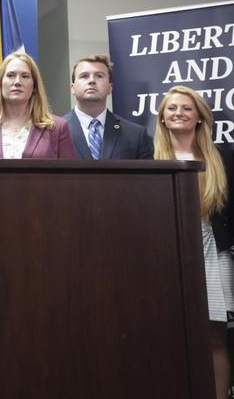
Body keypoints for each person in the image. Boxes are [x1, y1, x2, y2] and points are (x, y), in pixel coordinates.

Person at [153, 85, 234, 399]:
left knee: (216, 336)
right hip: (167, 253)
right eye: (172, 108)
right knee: (169, 333)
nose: (178, 114)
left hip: (214, 250)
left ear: (200, 117)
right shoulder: (150, 156)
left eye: (186, 108)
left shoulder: (222, 156)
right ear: (162, 117)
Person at [0, 52, 75, 159]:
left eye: (25, 76)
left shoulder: (57, 128)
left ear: (34, 86)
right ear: (0, 84)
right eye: (10, 75)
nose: (17, 82)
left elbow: (67, 175)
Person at [64, 54, 153, 160]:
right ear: (72, 88)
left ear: (110, 88)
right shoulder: (54, 132)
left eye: (99, 76)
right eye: (84, 76)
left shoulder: (136, 135)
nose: (92, 81)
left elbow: (147, 176)